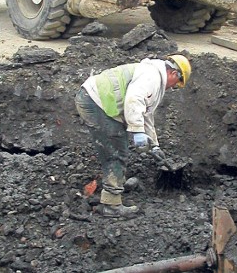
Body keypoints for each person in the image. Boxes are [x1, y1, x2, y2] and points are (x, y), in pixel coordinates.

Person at [75, 54, 191, 218]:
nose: (172, 88)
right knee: (116, 152)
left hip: (94, 98)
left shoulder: (153, 76)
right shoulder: (152, 77)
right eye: (176, 85)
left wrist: (154, 145)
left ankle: (113, 192)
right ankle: (111, 205)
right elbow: (133, 100)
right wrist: (137, 131)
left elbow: (146, 114)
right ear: (174, 74)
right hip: (95, 101)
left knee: (116, 149)